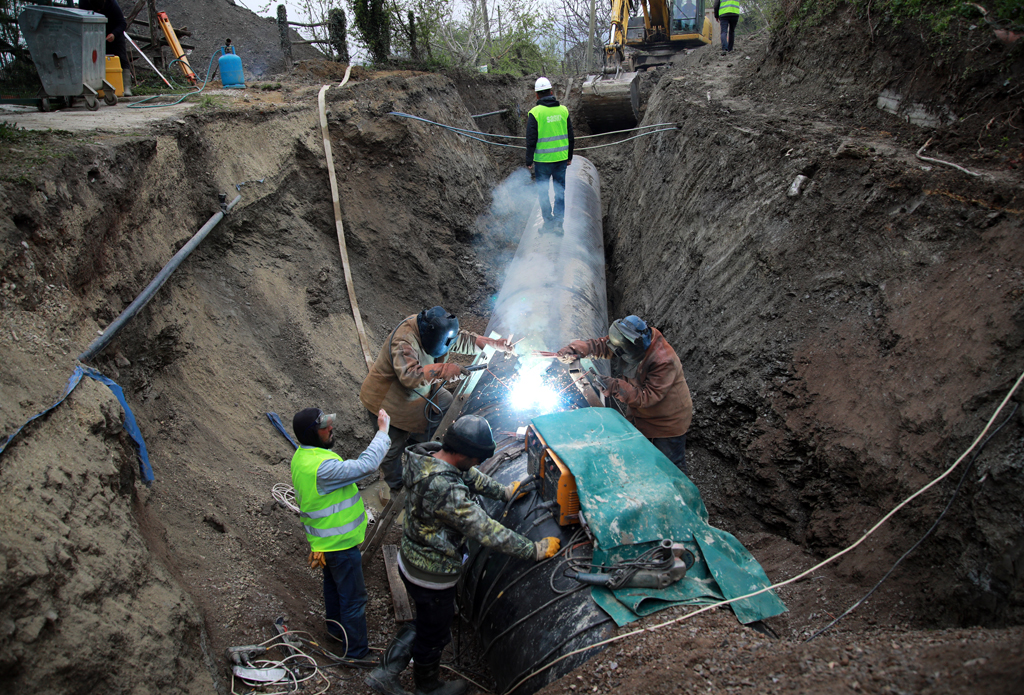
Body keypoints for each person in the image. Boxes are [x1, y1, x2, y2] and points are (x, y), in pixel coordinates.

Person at [366, 415, 560, 695]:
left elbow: (468, 474)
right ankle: (427, 687)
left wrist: (502, 492)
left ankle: (386, 669)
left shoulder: (427, 455)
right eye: (477, 458)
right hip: (431, 575)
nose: (479, 464)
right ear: (462, 454)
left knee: (426, 621)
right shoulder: (446, 491)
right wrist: (534, 549)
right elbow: (485, 530)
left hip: (409, 559)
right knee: (434, 634)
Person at [359, 306, 513, 496]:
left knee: (446, 403)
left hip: (419, 394)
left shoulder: (436, 329)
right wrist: (444, 370)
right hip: (389, 401)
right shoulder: (404, 339)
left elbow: (463, 339)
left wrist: (494, 344)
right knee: (391, 450)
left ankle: (419, 447)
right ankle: (397, 488)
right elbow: (409, 375)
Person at [290, 406, 391, 658]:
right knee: (353, 599)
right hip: (340, 546)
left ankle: (335, 631)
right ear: (312, 433)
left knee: (333, 589)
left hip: (325, 543)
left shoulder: (303, 457)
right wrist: (383, 431)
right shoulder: (323, 469)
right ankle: (356, 653)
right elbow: (367, 465)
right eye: (324, 427)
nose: (330, 428)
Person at [556, 316, 693, 475]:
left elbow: (646, 397)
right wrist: (577, 349)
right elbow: (604, 346)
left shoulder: (663, 361)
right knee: (642, 459)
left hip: (666, 423)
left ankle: (682, 496)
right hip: (640, 416)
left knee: (670, 469)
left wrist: (615, 386)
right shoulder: (630, 338)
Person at [525, 76, 574, 234]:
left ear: (537, 95)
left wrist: (529, 159)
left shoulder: (535, 113)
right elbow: (571, 135)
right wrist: (570, 156)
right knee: (560, 192)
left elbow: (531, 139)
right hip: (560, 160)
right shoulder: (563, 110)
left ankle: (548, 224)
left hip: (543, 161)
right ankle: (559, 224)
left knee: (543, 193)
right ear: (551, 92)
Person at [78, 0, 132, 96]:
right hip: (93, 35)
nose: (99, 10)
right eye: (97, 9)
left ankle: (126, 87)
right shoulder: (84, 3)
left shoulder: (112, 4)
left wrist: (114, 34)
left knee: (121, 59)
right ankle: (91, 87)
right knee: (91, 61)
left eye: (100, 9)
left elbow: (122, 23)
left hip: (114, 34)